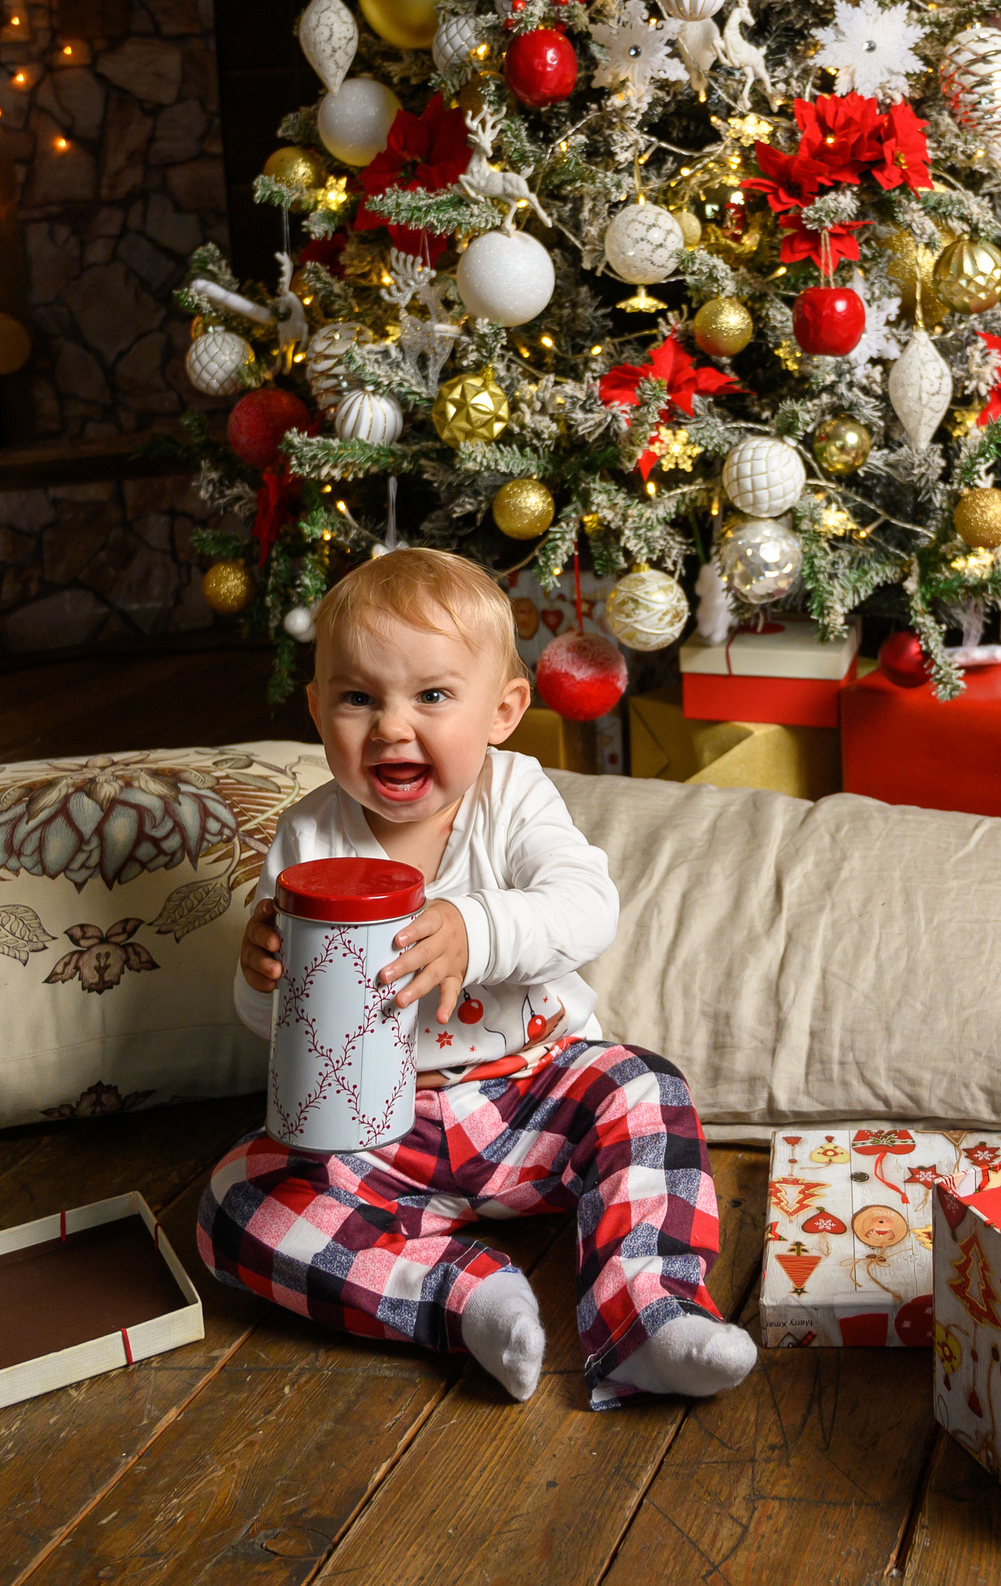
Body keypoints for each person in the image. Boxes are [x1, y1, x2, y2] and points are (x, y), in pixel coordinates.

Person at [199, 548, 757, 1408]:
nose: (390, 727)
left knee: (645, 1085)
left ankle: (648, 1315)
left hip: (536, 1095)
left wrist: (478, 927)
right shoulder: (310, 837)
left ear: (501, 711)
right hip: (386, 1127)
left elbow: (586, 906)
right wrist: (262, 978)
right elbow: (282, 1040)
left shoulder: (517, 797)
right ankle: (465, 1297)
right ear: (316, 711)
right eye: (358, 698)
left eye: (431, 697)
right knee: (236, 1198)